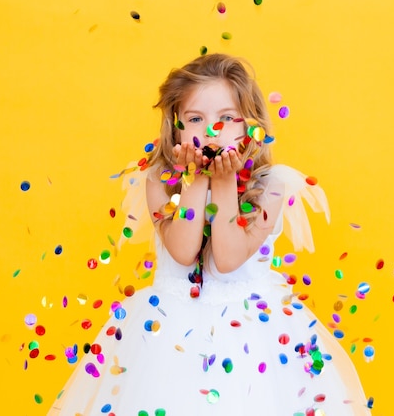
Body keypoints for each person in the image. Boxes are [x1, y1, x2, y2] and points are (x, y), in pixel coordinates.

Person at [48, 53, 371, 415]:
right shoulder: (157, 180)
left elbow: (229, 258)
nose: (211, 131)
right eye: (196, 119)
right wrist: (198, 176)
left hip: (253, 337)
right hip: (168, 337)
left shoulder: (273, 185)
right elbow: (183, 252)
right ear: (177, 126)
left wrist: (225, 179)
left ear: (250, 125)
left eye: (226, 118)